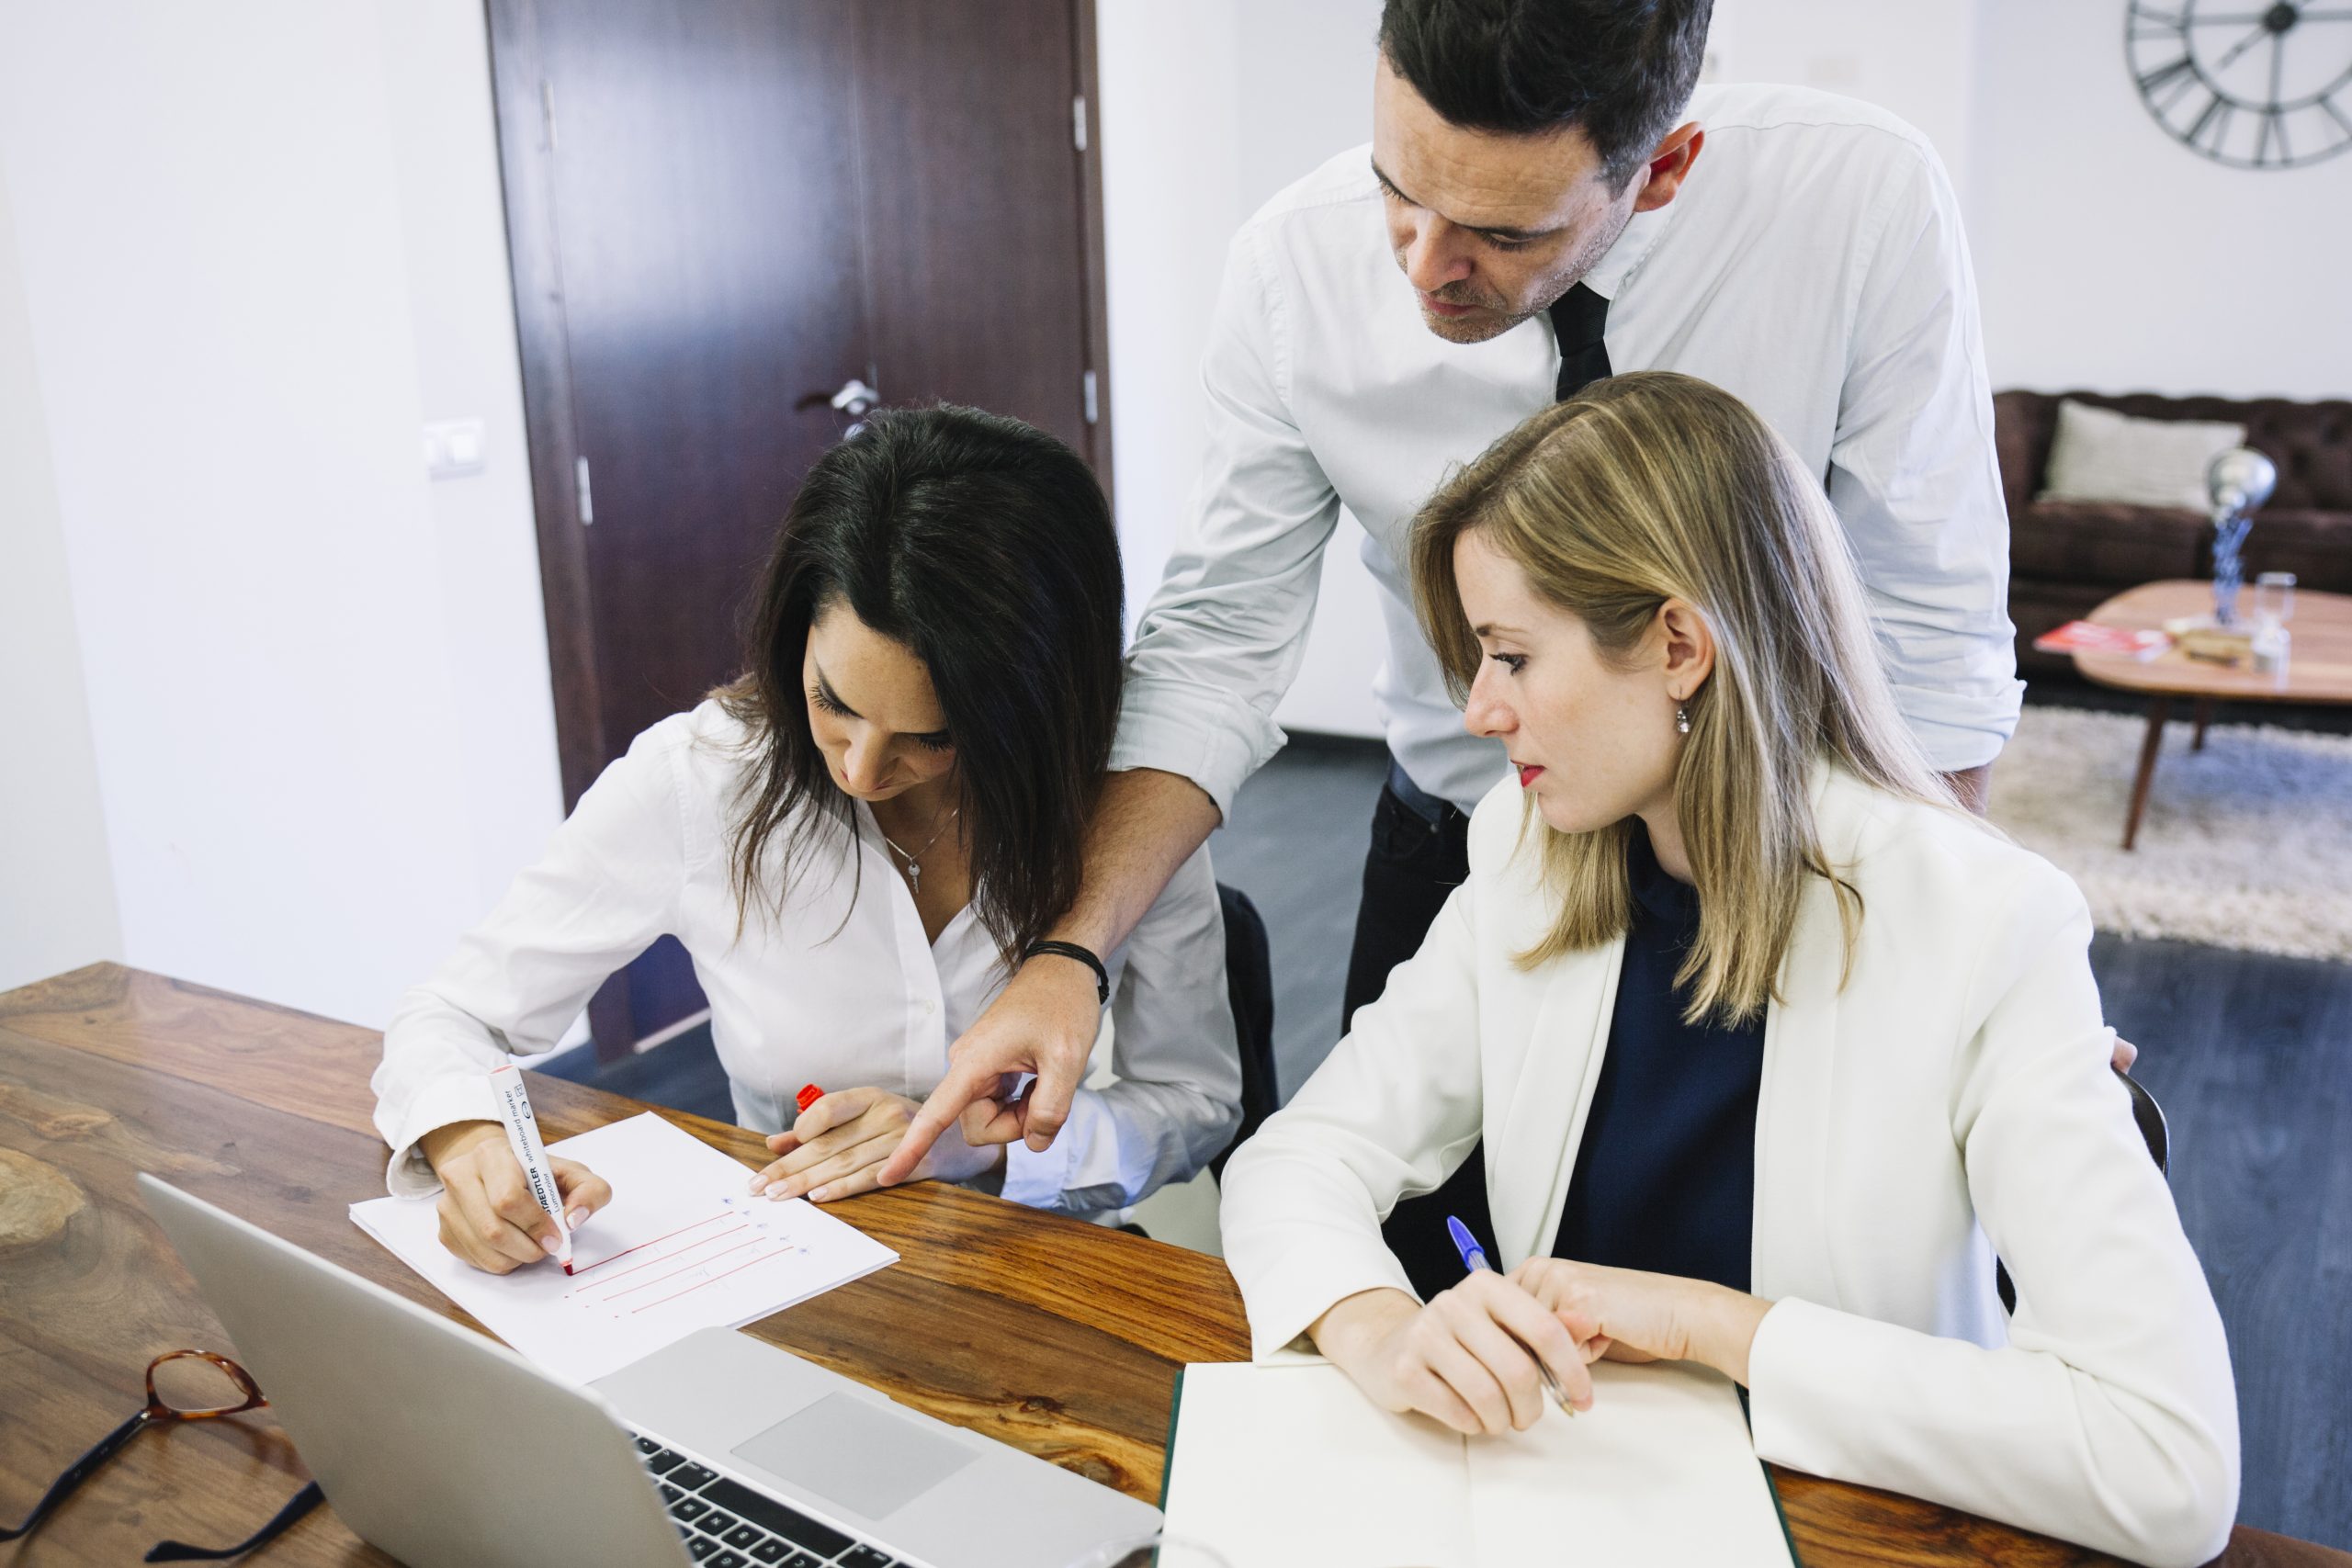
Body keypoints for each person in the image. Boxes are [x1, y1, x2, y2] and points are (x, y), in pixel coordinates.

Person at [882, 0, 2052, 1288]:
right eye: (1397, 187)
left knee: (1778, 1260)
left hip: (1776, 864)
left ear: (1660, 167)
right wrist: (1069, 952)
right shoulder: (1293, 269)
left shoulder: (1857, 200)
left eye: (1504, 231)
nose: (1424, 264)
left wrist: (1932, 947)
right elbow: (1215, 643)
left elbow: (1933, 630)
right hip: (1460, 849)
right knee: (1428, 1254)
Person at [1217, 373, 2237, 1568]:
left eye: (1509, 653)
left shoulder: (1985, 923)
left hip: (1847, 1521)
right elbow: (1302, 1153)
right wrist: (1375, 1318)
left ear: (1679, 645)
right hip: (1566, 1495)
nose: (1480, 708)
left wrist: (1717, 1327)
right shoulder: (1525, 852)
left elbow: (2169, 1460)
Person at [371, 407, 1241, 1274]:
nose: (860, 770)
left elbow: (1197, 1102)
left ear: (1035, 711)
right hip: (787, 1264)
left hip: (1038, 1267)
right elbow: (451, 1013)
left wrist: (986, 1150)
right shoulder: (702, 777)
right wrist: (467, 1141)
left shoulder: (1131, 806)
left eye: (931, 737)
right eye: (833, 700)